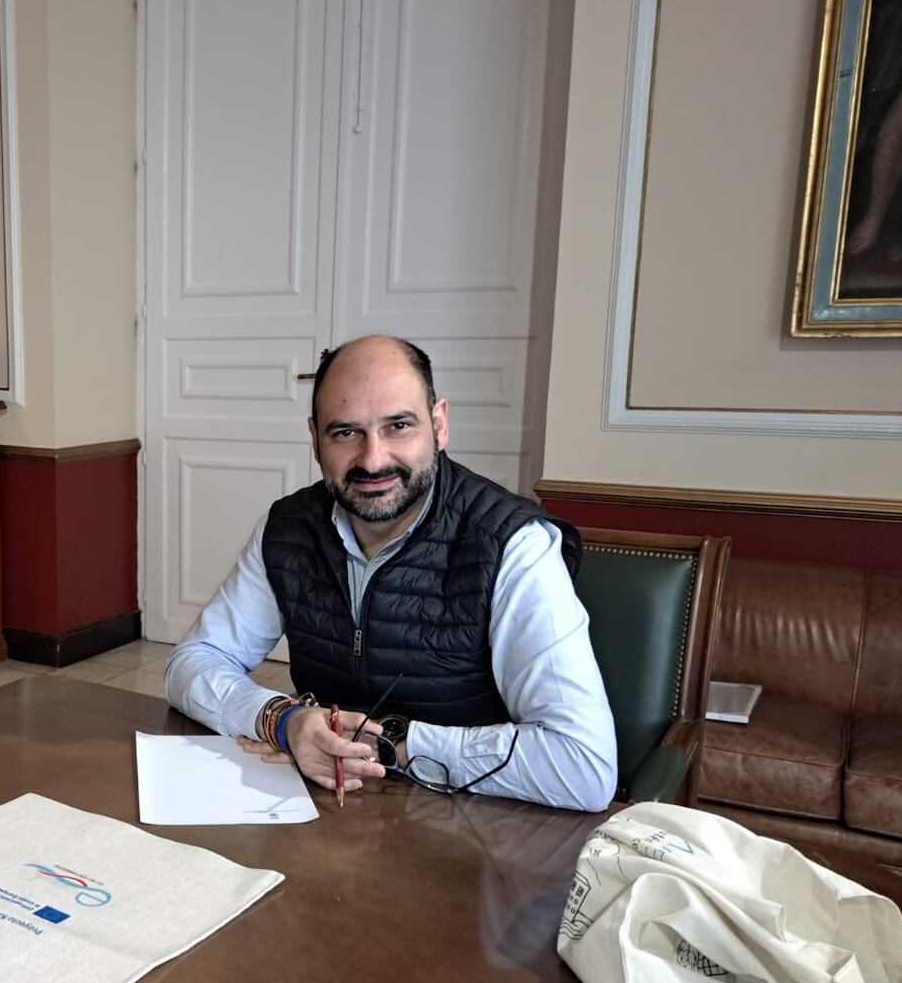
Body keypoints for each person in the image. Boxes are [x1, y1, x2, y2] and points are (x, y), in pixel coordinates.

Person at [164, 336, 616, 812]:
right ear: (315, 439)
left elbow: (583, 768)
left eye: (398, 426)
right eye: (345, 433)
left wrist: (384, 744)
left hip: (477, 821)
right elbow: (192, 663)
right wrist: (283, 720)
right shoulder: (288, 528)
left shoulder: (513, 544)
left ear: (439, 425)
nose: (373, 459)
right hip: (327, 811)